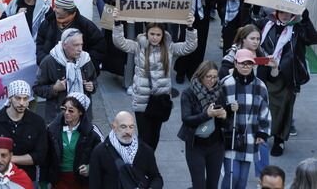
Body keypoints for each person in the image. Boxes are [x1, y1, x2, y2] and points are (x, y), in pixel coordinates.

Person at [112, 15, 198, 150]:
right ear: (147, 33)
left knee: (154, 136)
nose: (155, 37)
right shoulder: (138, 46)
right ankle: (143, 161)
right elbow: (120, 42)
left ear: (163, 35)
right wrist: (117, 23)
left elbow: (189, 46)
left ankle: (149, 159)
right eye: (152, 34)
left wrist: (190, 28)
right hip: (142, 100)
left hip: (160, 101)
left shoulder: (169, 47)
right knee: (144, 137)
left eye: (158, 35)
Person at [257, 8, 317, 156]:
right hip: (266, 71)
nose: (285, 15)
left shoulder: (298, 28)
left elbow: (312, 38)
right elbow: (247, 29)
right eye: (282, 12)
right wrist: (246, 7)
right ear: (277, 11)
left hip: (288, 75)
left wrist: (306, 19)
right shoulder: (266, 23)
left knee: (284, 107)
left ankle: (279, 140)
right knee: (264, 104)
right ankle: (262, 133)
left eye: (288, 13)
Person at [0, 80, 47, 184]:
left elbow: (40, 156)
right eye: (18, 98)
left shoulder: (37, 122)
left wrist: (9, 158)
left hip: (27, 178)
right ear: (10, 98)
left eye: (25, 98)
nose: (22, 103)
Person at [221, 48, 271, 189]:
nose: (245, 66)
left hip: (251, 138)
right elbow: (218, 107)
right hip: (230, 137)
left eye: (249, 63)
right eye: (242, 63)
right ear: (235, 63)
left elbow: (265, 111)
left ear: (253, 65)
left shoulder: (260, 86)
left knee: (242, 180)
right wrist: (228, 109)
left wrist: (262, 132)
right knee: (232, 175)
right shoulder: (226, 83)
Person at [178, 61, 226, 189]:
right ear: (200, 76)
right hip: (196, 145)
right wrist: (207, 115)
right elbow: (186, 119)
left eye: (214, 77)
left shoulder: (220, 91)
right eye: (208, 76)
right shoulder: (189, 93)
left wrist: (224, 116)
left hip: (216, 145)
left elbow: (226, 122)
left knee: (212, 185)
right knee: (199, 185)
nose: (212, 80)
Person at [34, 28, 98, 121]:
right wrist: (54, 89)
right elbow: (37, 88)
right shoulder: (49, 62)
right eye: (76, 45)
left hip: (83, 115)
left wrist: (92, 86)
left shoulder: (86, 60)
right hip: (58, 117)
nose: (80, 49)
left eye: (81, 44)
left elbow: (94, 80)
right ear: (64, 45)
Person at [42, 92, 103, 189]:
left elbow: (103, 156)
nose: (66, 113)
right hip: (59, 179)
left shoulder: (92, 132)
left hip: (82, 181)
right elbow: (46, 157)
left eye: (71, 110)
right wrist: (43, 182)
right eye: (64, 109)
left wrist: (90, 167)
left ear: (80, 112)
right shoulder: (52, 130)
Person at [88, 111, 162, 189]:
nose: (128, 131)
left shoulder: (145, 150)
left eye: (131, 127)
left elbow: (156, 178)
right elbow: (94, 183)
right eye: (123, 127)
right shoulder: (100, 152)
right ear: (114, 127)